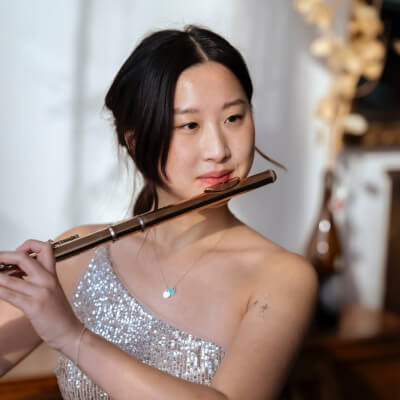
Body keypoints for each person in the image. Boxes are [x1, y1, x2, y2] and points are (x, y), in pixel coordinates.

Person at [0, 25, 317, 400]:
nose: (218, 150)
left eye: (233, 118)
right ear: (135, 141)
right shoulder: (80, 253)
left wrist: (72, 337)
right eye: (190, 125)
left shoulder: (282, 277)